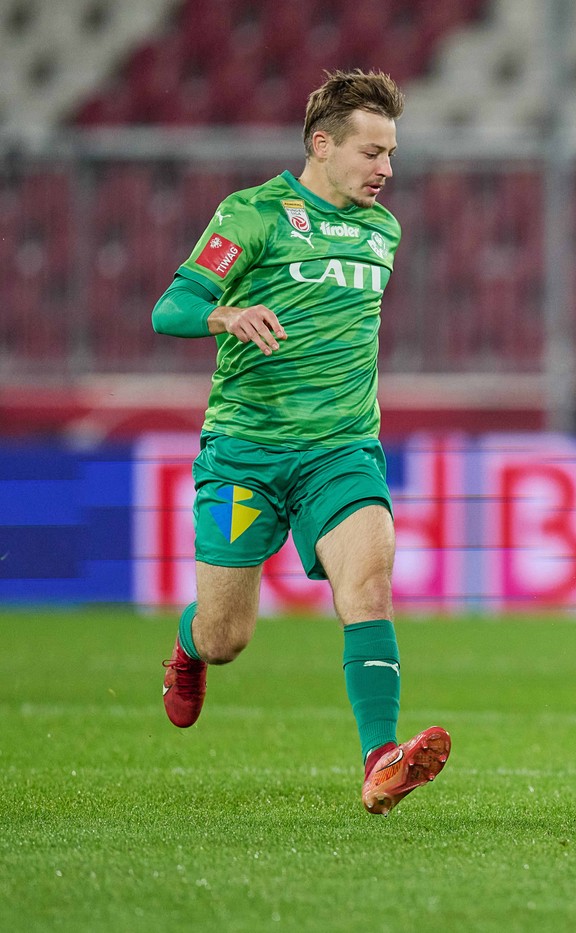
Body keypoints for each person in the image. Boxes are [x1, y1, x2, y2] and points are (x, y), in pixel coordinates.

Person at [153, 69, 450, 814]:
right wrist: (225, 315)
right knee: (227, 635)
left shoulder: (383, 231)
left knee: (370, 584)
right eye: (371, 152)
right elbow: (172, 306)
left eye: (391, 154)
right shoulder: (253, 215)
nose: (386, 169)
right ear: (321, 145)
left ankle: (380, 759)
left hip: (341, 451)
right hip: (245, 453)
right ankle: (189, 645)